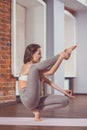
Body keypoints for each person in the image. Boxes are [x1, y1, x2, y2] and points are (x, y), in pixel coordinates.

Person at [18, 44, 77, 121]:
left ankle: (36, 110)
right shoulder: (27, 66)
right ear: (31, 54)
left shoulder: (35, 70)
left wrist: (63, 91)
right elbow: (50, 71)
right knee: (34, 67)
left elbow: (50, 77)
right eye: (39, 54)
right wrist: (60, 57)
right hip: (26, 97)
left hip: (35, 100)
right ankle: (61, 53)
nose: (41, 56)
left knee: (65, 101)